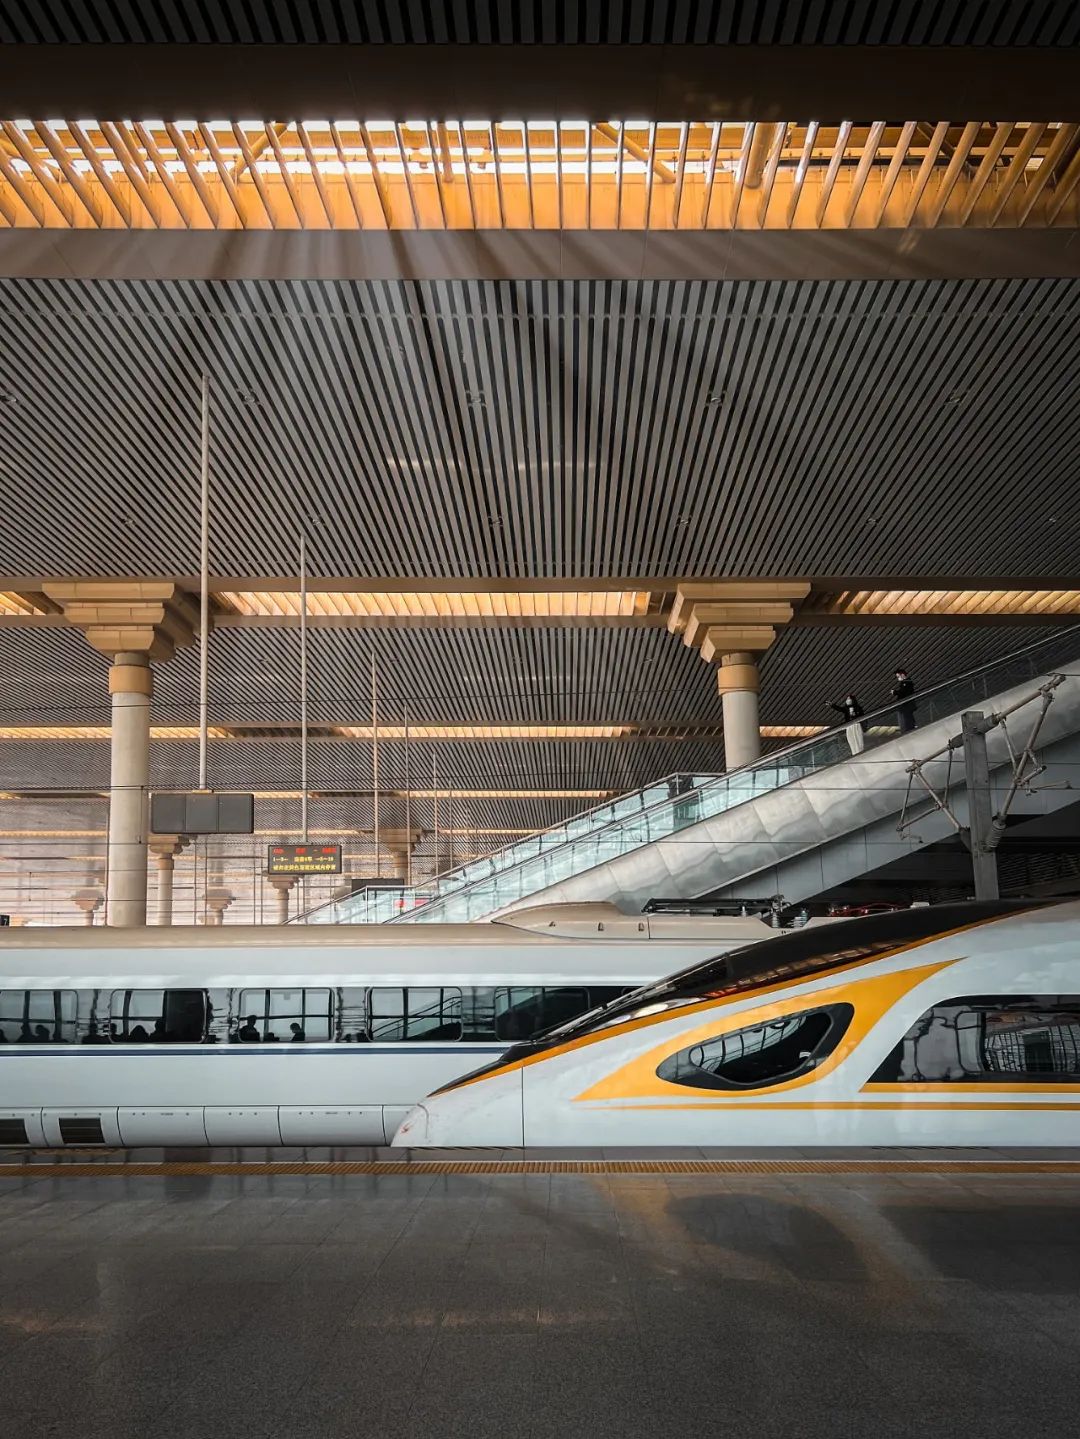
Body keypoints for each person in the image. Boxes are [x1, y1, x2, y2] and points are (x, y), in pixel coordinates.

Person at [892, 668, 917, 734]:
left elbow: (903, 692)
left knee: (907, 717)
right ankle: (908, 728)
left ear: (902, 675)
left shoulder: (907, 682)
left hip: (907, 704)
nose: (898, 678)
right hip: (906, 705)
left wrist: (895, 692)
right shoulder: (906, 683)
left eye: (898, 676)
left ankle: (909, 729)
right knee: (907, 717)